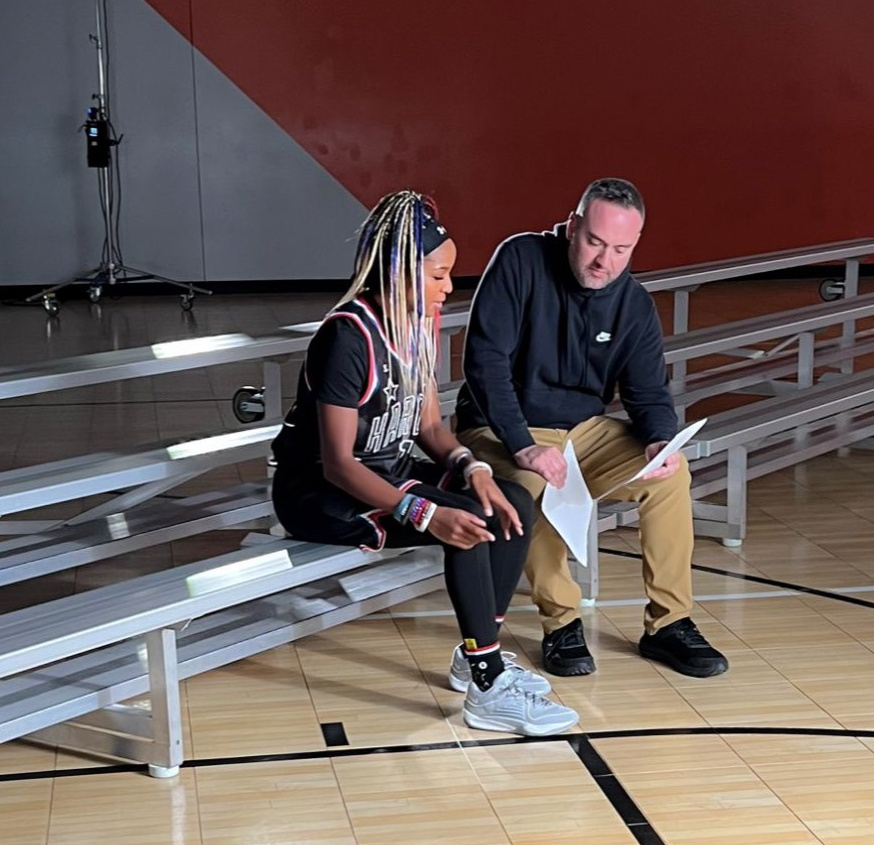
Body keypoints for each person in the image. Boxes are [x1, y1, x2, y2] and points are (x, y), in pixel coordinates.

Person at [271, 189, 579, 736]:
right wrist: (423, 513)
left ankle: (477, 655)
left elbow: (431, 426)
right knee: (463, 523)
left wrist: (472, 467)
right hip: (319, 494)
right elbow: (339, 464)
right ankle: (486, 685)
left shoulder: (418, 322)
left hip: (382, 471)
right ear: (398, 271)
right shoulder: (347, 337)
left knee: (512, 503)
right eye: (438, 274)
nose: (449, 286)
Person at [455, 177, 728, 680]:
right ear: (572, 227)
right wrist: (521, 445)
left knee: (671, 474)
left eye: (622, 249)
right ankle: (561, 624)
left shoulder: (633, 303)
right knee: (532, 484)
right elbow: (485, 362)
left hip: (583, 430)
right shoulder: (520, 259)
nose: (605, 260)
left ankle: (669, 624)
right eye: (595, 242)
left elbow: (648, 392)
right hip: (499, 426)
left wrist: (660, 439)